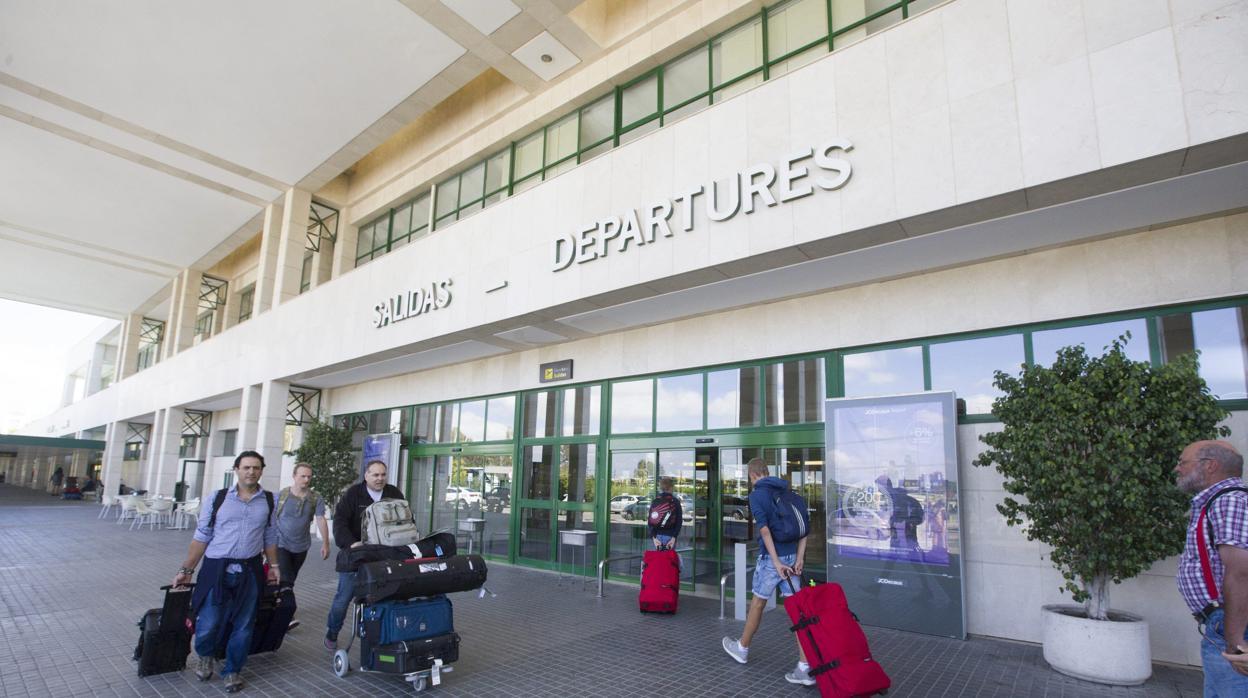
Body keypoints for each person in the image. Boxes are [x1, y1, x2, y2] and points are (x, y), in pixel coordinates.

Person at [173, 451, 280, 694]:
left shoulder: (270, 501)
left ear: (261, 470)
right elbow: (201, 537)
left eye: (255, 467)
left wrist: (274, 567)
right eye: (246, 467)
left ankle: (233, 669)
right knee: (209, 622)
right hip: (216, 568)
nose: (251, 472)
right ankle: (206, 655)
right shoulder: (218, 498)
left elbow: (270, 537)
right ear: (236, 469)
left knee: (244, 625)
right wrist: (185, 570)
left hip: (250, 569)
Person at [722, 457, 812, 686]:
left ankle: (742, 648)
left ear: (752, 475)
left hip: (774, 561)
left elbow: (764, 531)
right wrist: (799, 558)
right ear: (766, 471)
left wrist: (776, 561)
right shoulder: (791, 494)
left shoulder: (757, 495)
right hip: (793, 559)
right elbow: (804, 529)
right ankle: (804, 666)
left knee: (758, 603)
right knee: (797, 611)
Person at [1174, 439, 1248, 694]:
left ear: (1210, 466)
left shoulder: (1228, 501)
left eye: (1183, 462)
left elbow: (1240, 572)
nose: (1177, 468)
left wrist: (1236, 642)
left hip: (1232, 626)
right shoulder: (1216, 501)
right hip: (1222, 624)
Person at [325, 459, 405, 651]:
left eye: (383, 475)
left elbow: (406, 520)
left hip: (385, 557)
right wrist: (352, 544)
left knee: (387, 597)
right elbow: (340, 522)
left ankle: (380, 635)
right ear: (366, 475)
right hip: (356, 557)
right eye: (375, 475)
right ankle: (332, 633)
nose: (380, 478)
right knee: (343, 600)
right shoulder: (353, 494)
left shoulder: (394, 493)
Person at [274, 462, 330, 631]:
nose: (306, 479)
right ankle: (288, 614)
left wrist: (326, 543)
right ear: (294, 476)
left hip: (301, 546)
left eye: (309, 476)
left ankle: (278, 605)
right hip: (280, 543)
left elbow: (321, 519)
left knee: (289, 580)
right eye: (302, 476)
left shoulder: (315, 498)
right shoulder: (282, 495)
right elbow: (270, 519)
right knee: (285, 579)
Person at [648, 477, 683, 549]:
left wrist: (654, 537)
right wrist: (674, 537)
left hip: (657, 536)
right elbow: (679, 521)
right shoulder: (675, 501)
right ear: (671, 487)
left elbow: (650, 521)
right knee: (669, 559)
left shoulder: (655, 501)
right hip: (670, 536)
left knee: (658, 559)